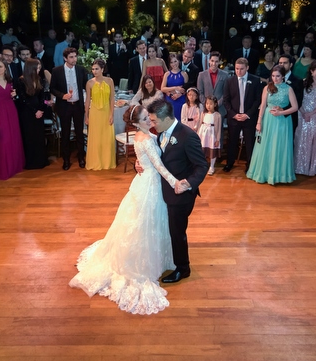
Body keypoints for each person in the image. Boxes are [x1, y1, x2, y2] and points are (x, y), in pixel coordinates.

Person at [69, 105, 181, 314]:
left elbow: (145, 159)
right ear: (137, 122)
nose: (151, 120)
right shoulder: (146, 138)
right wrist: (176, 182)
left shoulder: (141, 135)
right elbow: (159, 167)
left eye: (150, 117)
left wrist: (140, 162)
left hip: (144, 180)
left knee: (149, 222)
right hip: (150, 184)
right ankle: (147, 262)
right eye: (146, 118)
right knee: (147, 222)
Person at [142, 99, 209, 283]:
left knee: (177, 231)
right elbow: (156, 159)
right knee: (168, 228)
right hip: (163, 190)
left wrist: (188, 183)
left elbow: (202, 165)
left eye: (154, 121)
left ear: (166, 118)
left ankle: (183, 268)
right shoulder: (160, 133)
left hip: (181, 195)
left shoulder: (188, 136)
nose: (152, 124)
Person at [247, 66, 298, 185]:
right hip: (268, 119)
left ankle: (278, 175)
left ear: (283, 76)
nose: (275, 78)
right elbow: (263, 105)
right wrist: (259, 122)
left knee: (279, 146)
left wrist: (281, 112)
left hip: (282, 122)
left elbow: (295, 107)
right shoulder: (267, 88)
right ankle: (264, 173)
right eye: (273, 76)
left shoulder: (288, 89)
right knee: (265, 146)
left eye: (278, 76)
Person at [0, 60, 25, 179]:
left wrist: (14, 95)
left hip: (11, 111)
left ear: (5, 68)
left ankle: (14, 167)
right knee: (2, 141)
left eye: (0, 66)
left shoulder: (9, 81)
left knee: (13, 139)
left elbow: (13, 96)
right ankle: (3, 170)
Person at [51, 47, 88, 170]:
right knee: (65, 133)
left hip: (77, 105)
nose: (74, 59)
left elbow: (86, 86)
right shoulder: (57, 71)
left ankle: (81, 158)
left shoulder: (81, 70)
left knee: (79, 133)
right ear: (65, 58)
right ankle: (66, 160)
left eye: (75, 56)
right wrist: (63, 96)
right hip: (64, 106)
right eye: (71, 57)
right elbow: (52, 89)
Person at [223, 58, 262, 173]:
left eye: (241, 69)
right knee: (232, 142)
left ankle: (249, 165)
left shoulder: (255, 80)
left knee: (249, 142)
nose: (238, 71)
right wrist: (234, 114)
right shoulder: (230, 81)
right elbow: (226, 100)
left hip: (249, 118)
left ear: (247, 68)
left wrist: (248, 114)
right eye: (236, 69)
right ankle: (229, 163)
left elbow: (257, 100)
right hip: (234, 118)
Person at [294, 61, 316, 176]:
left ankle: (310, 167)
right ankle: (298, 166)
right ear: (312, 71)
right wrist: (303, 112)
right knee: (300, 138)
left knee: (312, 139)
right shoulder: (303, 83)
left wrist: (311, 113)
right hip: (302, 112)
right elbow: (298, 99)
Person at [15, 59, 49, 170]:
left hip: (39, 112)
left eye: (39, 67)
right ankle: (31, 162)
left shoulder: (39, 79)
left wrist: (41, 109)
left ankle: (41, 161)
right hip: (27, 113)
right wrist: (35, 111)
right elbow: (23, 100)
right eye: (37, 68)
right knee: (29, 136)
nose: (39, 70)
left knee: (39, 136)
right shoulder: (21, 81)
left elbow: (43, 97)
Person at [85, 59, 116, 171]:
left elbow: (112, 98)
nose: (94, 71)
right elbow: (87, 100)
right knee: (96, 138)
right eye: (93, 69)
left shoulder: (110, 81)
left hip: (107, 111)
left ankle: (107, 162)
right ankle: (95, 162)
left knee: (107, 138)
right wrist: (86, 116)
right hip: (95, 112)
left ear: (102, 69)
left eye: (97, 69)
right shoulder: (89, 83)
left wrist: (112, 114)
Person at [196, 52, 229, 119]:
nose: (214, 64)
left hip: (220, 110)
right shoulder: (201, 75)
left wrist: (216, 105)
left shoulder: (225, 75)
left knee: (219, 129)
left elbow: (225, 93)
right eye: (212, 61)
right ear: (209, 60)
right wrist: (207, 104)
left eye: (216, 61)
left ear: (219, 62)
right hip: (206, 110)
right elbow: (200, 92)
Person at [198, 96, 222, 176]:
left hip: (212, 135)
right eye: (207, 103)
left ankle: (212, 166)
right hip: (203, 135)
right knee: (202, 151)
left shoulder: (217, 115)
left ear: (215, 104)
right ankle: (202, 166)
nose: (208, 105)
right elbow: (200, 124)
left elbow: (218, 129)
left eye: (211, 104)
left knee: (212, 151)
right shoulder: (203, 113)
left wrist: (218, 139)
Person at [161, 53, 187, 121]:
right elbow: (162, 88)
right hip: (170, 100)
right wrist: (176, 88)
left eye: (175, 61)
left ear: (178, 61)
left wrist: (179, 94)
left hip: (181, 100)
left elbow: (186, 89)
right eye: (171, 62)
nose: (174, 64)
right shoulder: (167, 74)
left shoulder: (184, 74)